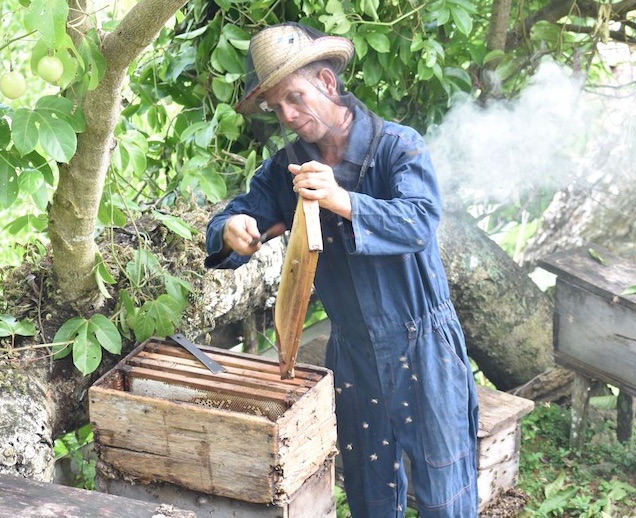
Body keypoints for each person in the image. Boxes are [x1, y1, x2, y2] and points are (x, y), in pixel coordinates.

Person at [203, 22, 479, 518]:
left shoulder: (399, 146)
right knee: (371, 493)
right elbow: (231, 220)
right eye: (277, 107)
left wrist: (343, 200)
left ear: (328, 84)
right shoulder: (283, 170)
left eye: (295, 97)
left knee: (446, 492)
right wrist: (231, 229)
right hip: (352, 354)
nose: (288, 115)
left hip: (425, 345)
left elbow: (419, 221)